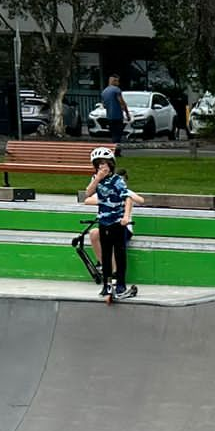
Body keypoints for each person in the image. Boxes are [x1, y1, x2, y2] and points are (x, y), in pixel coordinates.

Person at [78, 145, 146, 299]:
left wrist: (126, 216)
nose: (103, 167)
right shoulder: (97, 181)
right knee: (107, 255)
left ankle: (120, 283)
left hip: (118, 223)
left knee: (120, 253)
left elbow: (127, 197)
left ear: (111, 164)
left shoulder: (117, 181)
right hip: (104, 221)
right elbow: (87, 193)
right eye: (99, 164)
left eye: (105, 164)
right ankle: (107, 285)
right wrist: (97, 180)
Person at [99, 79, 128, 150]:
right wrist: (127, 113)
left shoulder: (104, 92)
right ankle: (116, 151)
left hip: (109, 117)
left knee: (113, 134)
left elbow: (104, 105)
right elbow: (121, 102)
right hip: (117, 116)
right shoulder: (116, 90)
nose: (119, 83)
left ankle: (113, 149)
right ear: (114, 81)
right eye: (117, 81)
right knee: (118, 135)